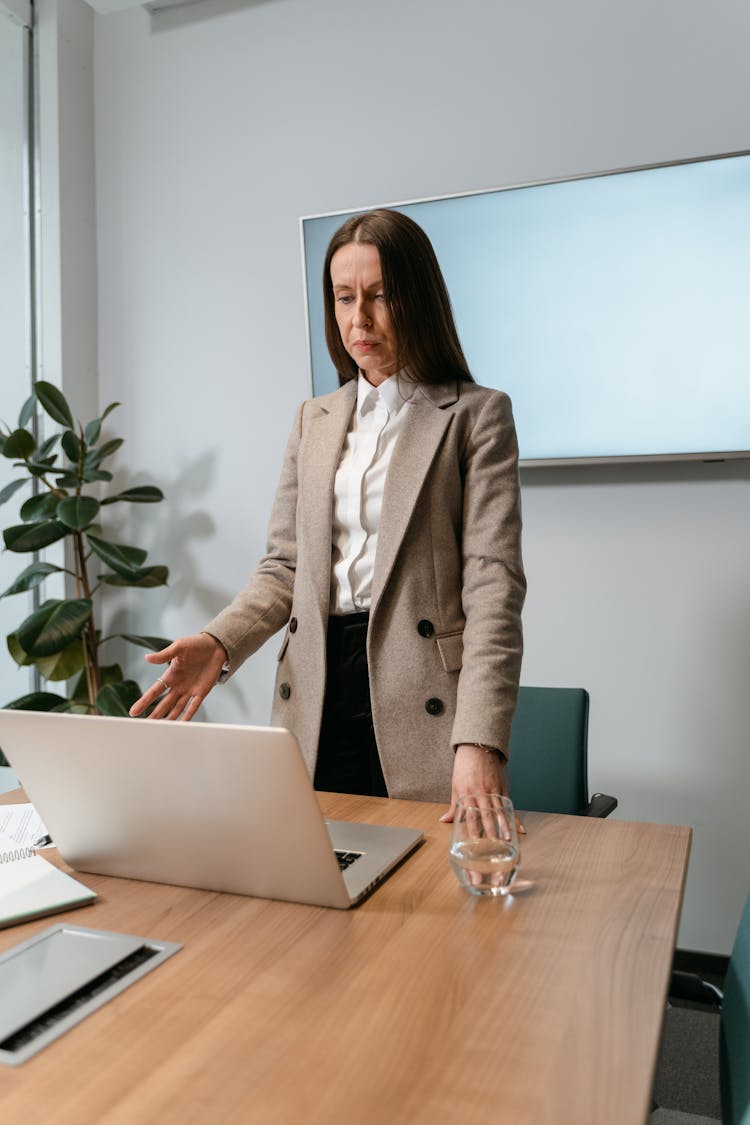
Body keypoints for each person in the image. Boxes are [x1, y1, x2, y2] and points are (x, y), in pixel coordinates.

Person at [130, 208, 526, 822]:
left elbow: (493, 589)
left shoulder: (476, 416)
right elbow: (284, 568)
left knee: (425, 904)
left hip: (421, 696)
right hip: (316, 693)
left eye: (379, 296)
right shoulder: (313, 420)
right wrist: (220, 642)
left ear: (418, 299)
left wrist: (479, 739)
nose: (357, 319)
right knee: (313, 887)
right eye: (344, 297)